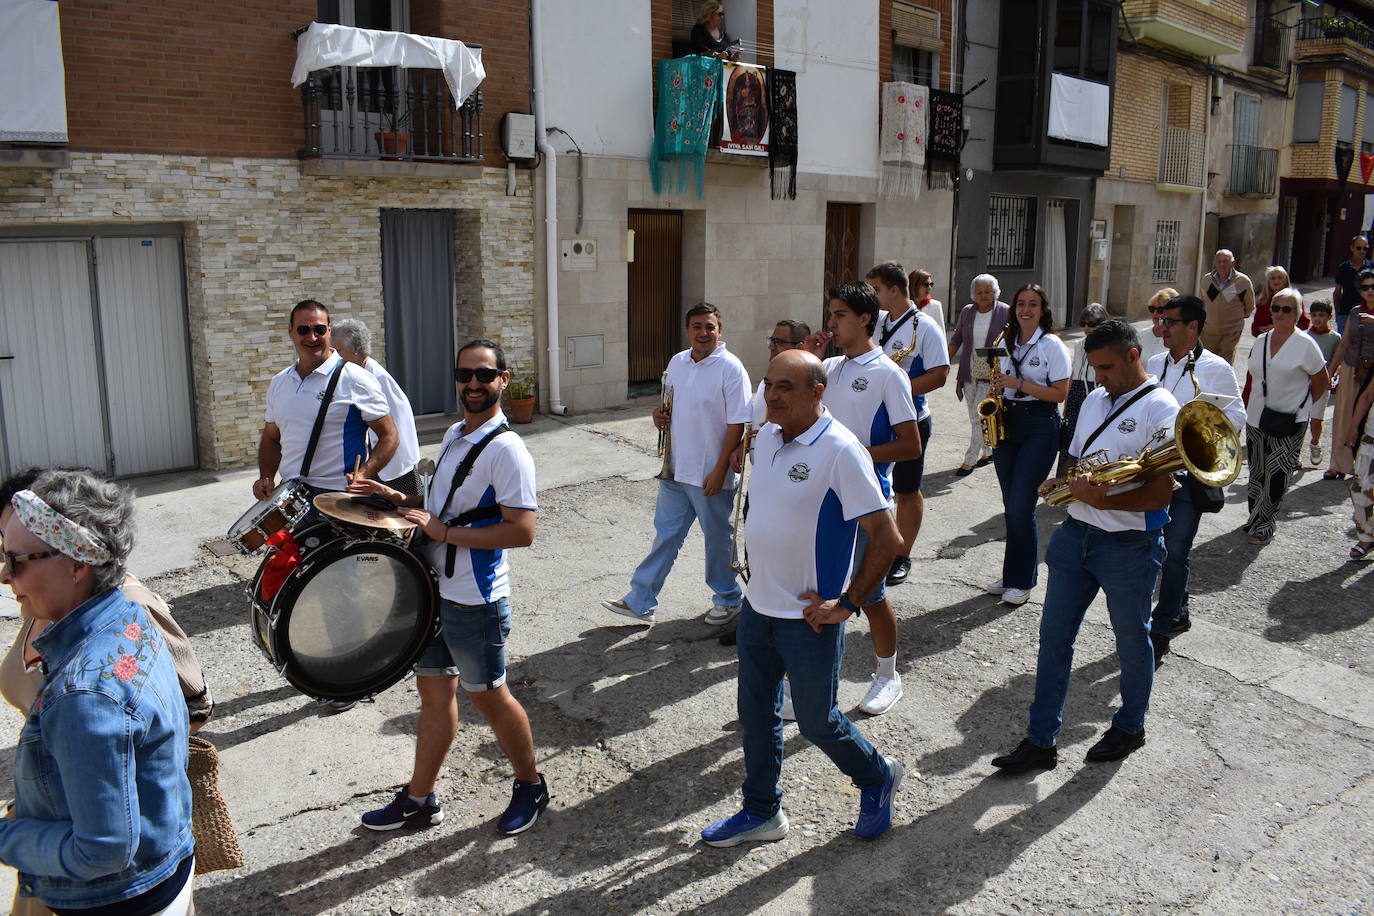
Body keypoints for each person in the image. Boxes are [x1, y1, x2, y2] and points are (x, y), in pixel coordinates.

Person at [699, 350, 904, 848]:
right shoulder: (766, 437)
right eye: (769, 384)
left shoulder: (840, 449)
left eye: (786, 386)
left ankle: (877, 775)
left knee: (818, 722)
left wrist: (848, 603)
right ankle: (762, 811)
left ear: (818, 392)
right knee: (757, 715)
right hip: (758, 610)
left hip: (809, 620)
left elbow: (887, 538)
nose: (772, 395)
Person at [349, 339, 549, 835]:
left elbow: (523, 531)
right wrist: (394, 496)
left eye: (486, 375)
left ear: (504, 379)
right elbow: (448, 505)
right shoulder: (459, 432)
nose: (474, 384)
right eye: (466, 375)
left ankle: (531, 785)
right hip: (437, 590)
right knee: (435, 695)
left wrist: (444, 534)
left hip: (475, 599)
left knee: (490, 697)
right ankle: (420, 798)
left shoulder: (507, 449)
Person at [0, 470, 195, 913]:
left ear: (77, 564)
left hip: (115, 898)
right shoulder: (127, 616)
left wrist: (8, 836)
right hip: (163, 865)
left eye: (17, 561)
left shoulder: (84, 697)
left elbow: (102, 850)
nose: (5, 577)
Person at [991, 319, 1179, 772]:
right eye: (1093, 367)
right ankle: (1041, 741)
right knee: (1053, 638)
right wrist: (1067, 481)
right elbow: (1077, 454)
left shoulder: (1162, 407)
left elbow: (1161, 493)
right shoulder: (1096, 397)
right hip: (1076, 535)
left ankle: (1131, 726)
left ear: (1134, 357)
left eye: (1107, 367)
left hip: (1131, 544)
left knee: (1132, 640)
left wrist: (1103, 495)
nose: (1099, 377)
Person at [806, 282, 919, 715]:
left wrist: (852, 458)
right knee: (820, 592)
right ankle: (812, 685)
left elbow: (911, 445)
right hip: (822, 501)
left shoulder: (890, 374)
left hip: (868, 501)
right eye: (830, 314)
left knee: (869, 594)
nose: (830, 323)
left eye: (839, 315)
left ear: (865, 319)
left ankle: (888, 675)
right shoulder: (829, 367)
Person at [602, 303, 750, 626]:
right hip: (676, 468)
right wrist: (658, 416)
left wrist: (720, 469)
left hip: (711, 473)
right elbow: (668, 407)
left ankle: (728, 598)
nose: (703, 333)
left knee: (717, 539)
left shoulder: (731, 368)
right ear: (687, 331)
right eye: (697, 326)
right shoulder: (677, 362)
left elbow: (737, 425)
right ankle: (641, 599)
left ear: (720, 331)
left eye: (710, 327)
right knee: (666, 535)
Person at [1146, 295, 1245, 664]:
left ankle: (1160, 629)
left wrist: (1198, 437)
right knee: (1155, 548)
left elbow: (1236, 416)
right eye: (1161, 318)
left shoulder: (1216, 368)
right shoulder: (1154, 362)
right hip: (1156, 470)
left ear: (1193, 327)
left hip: (1188, 476)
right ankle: (1180, 608)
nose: (1163, 326)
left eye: (1170, 321)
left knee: (1174, 552)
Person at [255, 299, 399, 502]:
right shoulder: (279, 382)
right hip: (290, 497)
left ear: (329, 331)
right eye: (303, 329)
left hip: (337, 497)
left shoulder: (355, 378)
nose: (312, 337)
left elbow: (389, 436)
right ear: (291, 331)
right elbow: (271, 437)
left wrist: (364, 474)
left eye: (319, 329)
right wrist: (266, 477)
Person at [866, 261, 950, 588]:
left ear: (894, 290)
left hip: (910, 419)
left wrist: (896, 389)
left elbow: (940, 374)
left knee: (906, 488)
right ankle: (878, 547)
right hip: (874, 418)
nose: (873, 296)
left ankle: (902, 554)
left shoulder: (925, 327)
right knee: (873, 486)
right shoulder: (878, 322)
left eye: (877, 290)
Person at [987, 284, 1070, 606]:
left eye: (1033, 304)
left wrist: (1019, 384)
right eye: (1020, 303)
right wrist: (995, 385)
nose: (1025, 309)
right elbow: (993, 377)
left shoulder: (1051, 345)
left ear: (1043, 310)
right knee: (1012, 508)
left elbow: (1060, 393)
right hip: (1007, 422)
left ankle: (1022, 581)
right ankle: (1011, 575)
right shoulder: (1005, 343)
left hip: (1039, 424)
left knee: (1022, 507)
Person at [1243, 288, 1331, 545]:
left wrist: (1302, 406)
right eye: (1275, 308)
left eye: (1287, 309)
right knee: (1257, 471)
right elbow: (1254, 377)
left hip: (1290, 419)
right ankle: (1255, 517)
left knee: (1277, 473)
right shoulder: (1261, 341)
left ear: (1297, 314)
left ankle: (1265, 525)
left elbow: (1321, 382)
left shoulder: (1306, 345)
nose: (1279, 313)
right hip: (1257, 417)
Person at [331, 318, 422, 496]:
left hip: (391, 462)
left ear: (356, 349)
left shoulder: (375, 378)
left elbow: (397, 424)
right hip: (377, 459)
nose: (333, 355)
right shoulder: (355, 372)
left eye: (338, 351)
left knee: (403, 512)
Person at [948, 274, 1011, 476]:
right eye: (979, 292)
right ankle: (987, 451)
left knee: (978, 416)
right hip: (969, 370)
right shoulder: (967, 312)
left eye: (988, 291)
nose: (983, 296)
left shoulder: (1005, 312)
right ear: (973, 294)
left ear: (995, 292)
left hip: (992, 372)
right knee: (975, 415)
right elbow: (957, 338)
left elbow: (1013, 341)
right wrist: (944, 361)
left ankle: (969, 459)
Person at [1325, 271, 1374, 481]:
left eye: (1373, 287)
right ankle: (1338, 464)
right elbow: (1344, 343)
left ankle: (1361, 465)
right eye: (1365, 287)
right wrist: (1330, 370)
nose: (1370, 291)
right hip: (1352, 367)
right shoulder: (1354, 312)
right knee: (1343, 415)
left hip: (1372, 372)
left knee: (1367, 418)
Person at [1058, 303, 1108, 477]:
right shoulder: (1079, 344)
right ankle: (1064, 479)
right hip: (1078, 389)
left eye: (1092, 324)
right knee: (1071, 435)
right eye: (1084, 324)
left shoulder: (1108, 345)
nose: (1087, 328)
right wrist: (1067, 399)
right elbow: (1074, 371)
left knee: (1092, 434)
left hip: (1097, 388)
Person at [1198, 249, 1255, 364]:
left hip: (1231, 332)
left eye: (1225, 261)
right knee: (1206, 362)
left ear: (1233, 263)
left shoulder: (1242, 282)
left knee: (1224, 364)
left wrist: (1234, 318)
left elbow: (1249, 307)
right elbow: (1203, 302)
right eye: (1219, 261)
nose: (1221, 264)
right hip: (1209, 331)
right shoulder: (1207, 280)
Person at [1307, 300, 1341, 467]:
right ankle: (1295, 452)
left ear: (1329, 317)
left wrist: (1333, 376)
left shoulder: (1335, 338)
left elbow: (1337, 360)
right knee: (1298, 419)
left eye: (1321, 315)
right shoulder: (1305, 336)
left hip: (1323, 383)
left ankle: (1315, 443)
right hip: (1303, 383)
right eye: (1314, 315)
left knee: (1316, 419)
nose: (1317, 319)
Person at [1346, 364, 1374, 560]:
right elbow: (1366, 396)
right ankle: (1367, 536)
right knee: (1361, 489)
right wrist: (1354, 427)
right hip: (1372, 435)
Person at [1331, 235, 1371, 335]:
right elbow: (1337, 292)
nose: (1362, 251)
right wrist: (1338, 314)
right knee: (1344, 343)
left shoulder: (1372, 268)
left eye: (1365, 248)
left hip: (1367, 313)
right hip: (1345, 313)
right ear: (1352, 248)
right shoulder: (1343, 268)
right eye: (1358, 248)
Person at [1140, 288, 1175, 365]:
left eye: (1160, 310)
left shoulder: (1177, 338)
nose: (1155, 313)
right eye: (1152, 309)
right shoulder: (1142, 335)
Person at [908, 267, 946, 333]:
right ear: (915, 285)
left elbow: (941, 333)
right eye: (926, 284)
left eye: (931, 284)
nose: (929, 287)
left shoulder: (935, 306)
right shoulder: (905, 305)